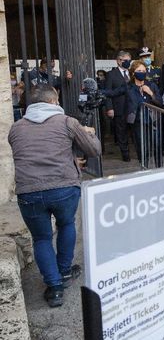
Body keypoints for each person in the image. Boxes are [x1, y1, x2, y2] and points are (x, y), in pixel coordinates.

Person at [8, 84, 101, 307]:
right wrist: (90, 133)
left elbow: (31, 153)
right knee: (66, 225)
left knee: (41, 238)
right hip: (63, 188)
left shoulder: (16, 128)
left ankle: (54, 287)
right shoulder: (67, 122)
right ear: (53, 102)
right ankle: (65, 272)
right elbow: (94, 150)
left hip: (29, 192)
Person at [126, 61, 163, 168]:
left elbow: (160, 102)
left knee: (157, 145)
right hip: (138, 122)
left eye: (143, 71)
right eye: (139, 71)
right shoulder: (129, 87)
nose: (141, 73)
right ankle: (144, 168)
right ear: (133, 73)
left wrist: (151, 93)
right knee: (143, 148)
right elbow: (114, 93)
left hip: (153, 121)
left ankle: (159, 168)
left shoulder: (152, 85)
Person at [104, 50, 132, 162]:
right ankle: (125, 153)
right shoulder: (111, 74)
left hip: (132, 107)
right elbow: (107, 92)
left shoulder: (133, 73)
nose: (128, 63)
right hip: (119, 108)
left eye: (129, 60)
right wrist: (109, 108)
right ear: (119, 61)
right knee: (121, 132)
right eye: (126, 60)